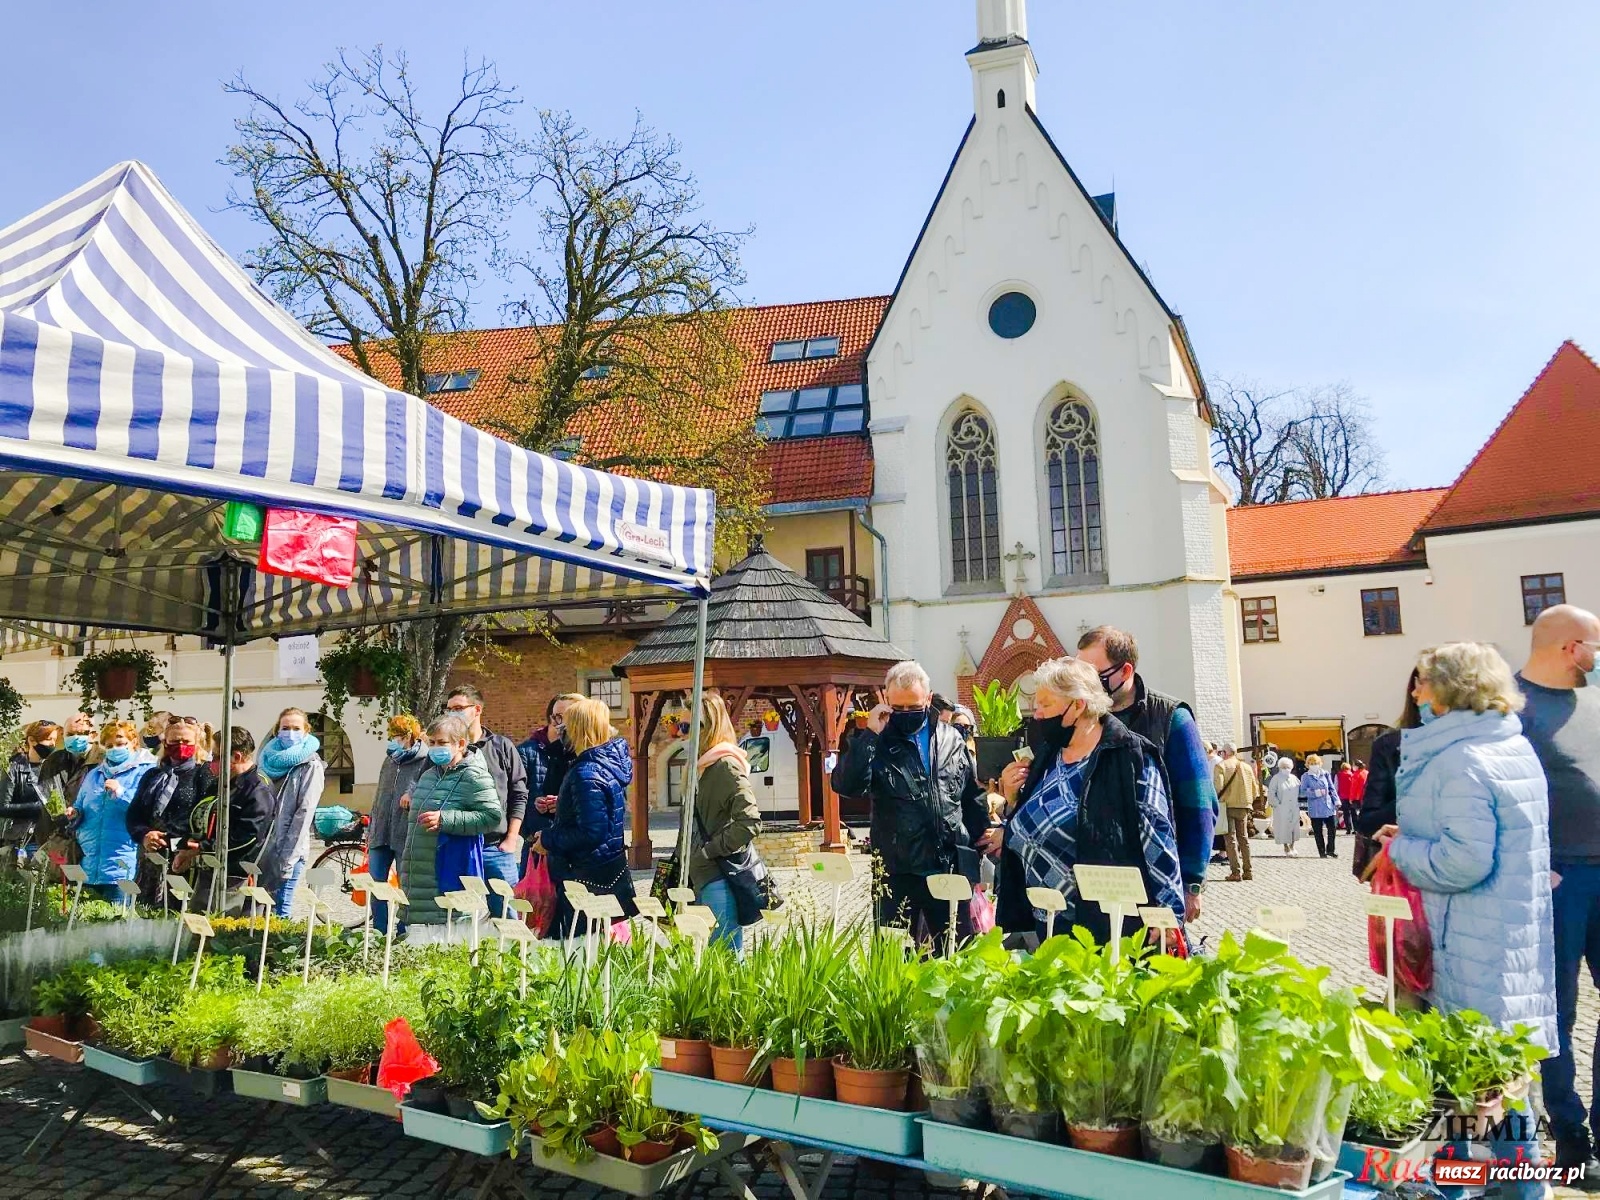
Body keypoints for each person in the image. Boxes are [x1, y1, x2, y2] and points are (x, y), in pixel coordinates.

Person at [1376, 642, 1556, 1197]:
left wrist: (1401, 848)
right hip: (1507, 938)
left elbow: (1464, 860)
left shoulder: (1460, 758)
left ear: (1448, 688)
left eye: (1424, 681)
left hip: (1468, 940)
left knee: (1472, 1079)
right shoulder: (1510, 746)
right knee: (1493, 1076)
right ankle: (1491, 1187)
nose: (1415, 691)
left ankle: (1486, 1189)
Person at [994, 656, 1185, 943]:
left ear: (1078, 705)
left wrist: (1170, 910)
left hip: (1106, 925)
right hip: (1044, 923)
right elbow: (1026, 823)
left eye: (1046, 704)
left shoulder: (1129, 756)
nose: (1037, 714)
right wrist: (1012, 802)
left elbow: (1157, 835)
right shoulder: (1049, 755)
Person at [1515, 604, 1600, 1179]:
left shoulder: (1595, 699)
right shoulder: (1511, 709)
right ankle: (1571, 1133)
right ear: (1572, 648)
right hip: (1556, 879)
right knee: (1557, 1012)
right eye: (1595, 646)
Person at [830, 660, 991, 948]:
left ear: (928, 699)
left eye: (913, 707)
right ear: (887, 701)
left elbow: (968, 792)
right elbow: (846, 785)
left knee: (958, 952)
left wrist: (982, 834)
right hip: (898, 869)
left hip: (948, 864)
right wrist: (869, 736)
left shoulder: (951, 738)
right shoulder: (876, 739)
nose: (905, 714)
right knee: (895, 959)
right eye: (898, 707)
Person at [1075, 627, 1217, 921]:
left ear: (1125, 670)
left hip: (1156, 872)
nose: (1085, 685)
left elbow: (1199, 802)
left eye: (1094, 676)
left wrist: (1191, 883)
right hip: (1097, 872)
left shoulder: (1171, 717)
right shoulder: (1085, 718)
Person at [531, 697, 638, 937]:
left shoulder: (586, 772)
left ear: (578, 729)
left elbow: (591, 831)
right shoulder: (605, 764)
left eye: (564, 725)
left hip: (584, 873)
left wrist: (548, 839)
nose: (560, 730)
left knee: (579, 948)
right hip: (603, 868)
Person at [399, 714, 502, 926]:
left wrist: (446, 820)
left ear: (461, 744)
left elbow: (492, 817)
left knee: (446, 934)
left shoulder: (474, 775)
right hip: (418, 874)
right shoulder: (428, 775)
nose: (436, 748)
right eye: (432, 743)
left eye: (442, 743)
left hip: (448, 870)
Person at [444, 685, 529, 916]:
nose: (452, 714)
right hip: (457, 844)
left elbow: (519, 794)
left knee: (507, 915)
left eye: (458, 708)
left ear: (477, 709)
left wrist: (511, 838)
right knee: (459, 917)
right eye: (448, 709)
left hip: (495, 846)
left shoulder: (502, 747)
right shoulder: (445, 749)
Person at [687, 694, 763, 950]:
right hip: (698, 876)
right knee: (706, 958)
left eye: (690, 727)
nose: (685, 735)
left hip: (719, 876)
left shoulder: (726, 766)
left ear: (707, 727)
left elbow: (749, 821)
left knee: (726, 958)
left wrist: (709, 850)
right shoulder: (701, 767)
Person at [127, 716, 218, 902]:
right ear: (166, 743)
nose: (181, 745)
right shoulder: (153, 775)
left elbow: (207, 818)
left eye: (186, 741)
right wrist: (144, 834)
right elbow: (134, 814)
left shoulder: (204, 774)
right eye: (175, 741)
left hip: (183, 857)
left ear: (196, 743)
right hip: (150, 857)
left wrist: (182, 845)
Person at [68, 722, 155, 899]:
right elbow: (80, 805)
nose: (114, 749)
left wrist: (120, 793)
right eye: (109, 745)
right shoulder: (95, 774)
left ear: (133, 743)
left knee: (117, 922)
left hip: (122, 865)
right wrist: (74, 813)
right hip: (90, 864)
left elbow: (147, 811)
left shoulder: (147, 771)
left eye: (120, 743)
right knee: (86, 923)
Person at [257, 708, 325, 918]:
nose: (290, 733)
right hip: (264, 848)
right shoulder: (265, 760)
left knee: (280, 911)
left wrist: (288, 858)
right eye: (285, 728)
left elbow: (303, 814)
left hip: (289, 850)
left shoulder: (310, 764)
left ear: (306, 731)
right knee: (261, 911)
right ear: (277, 730)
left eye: (296, 728)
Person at [369, 714, 427, 936]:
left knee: (406, 886)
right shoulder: (390, 759)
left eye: (398, 735)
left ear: (410, 735)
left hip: (405, 831)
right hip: (381, 830)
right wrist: (372, 826)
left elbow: (426, 788)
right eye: (391, 735)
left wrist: (412, 793)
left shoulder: (425, 759)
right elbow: (379, 794)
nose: (394, 740)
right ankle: (379, 931)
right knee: (377, 884)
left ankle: (404, 931)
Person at [517, 694, 581, 854]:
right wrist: (531, 832)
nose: (560, 722)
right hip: (537, 845)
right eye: (557, 716)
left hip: (572, 845)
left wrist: (564, 804)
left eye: (566, 716)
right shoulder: (527, 752)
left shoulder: (584, 754)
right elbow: (514, 799)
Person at [0, 720, 63, 850]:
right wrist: (39, 808)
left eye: (55, 740)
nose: (53, 744)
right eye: (49, 739)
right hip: (23, 840)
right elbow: (3, 807)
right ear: (32, 741)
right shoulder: (14, 769)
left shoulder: (57, 768)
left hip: (52, 839)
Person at [1214, 742, 1258, 880]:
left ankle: (1235, 872)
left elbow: (1218, 787)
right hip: (1244, 806)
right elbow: (1255, 790)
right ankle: (1248, 871)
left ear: (1225, 753)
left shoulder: (1221, 766)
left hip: (1227, 805)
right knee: (1243, 838)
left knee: (1230, 840)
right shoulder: (1246, 767)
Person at [39, 713, 97, 810]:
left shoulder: (102, 761)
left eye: (82, 733)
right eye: (70, 734)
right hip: (56, 822)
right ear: (63, 735)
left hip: (88, 822)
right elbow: (44, 792)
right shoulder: (53, 759)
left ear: (92, 735)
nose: (75, 738)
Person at [1300, 754, 1338, 858]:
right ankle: (1322, 852)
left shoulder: (1325, 774)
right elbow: (1302, 792)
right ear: (1308, 765)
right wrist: (1314, 793)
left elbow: (1331, 788)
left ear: (1320, 764)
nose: (1314, 765)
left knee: (1332, 829)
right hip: (1315, 808)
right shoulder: (1306, 776)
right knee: (1318, 831)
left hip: (1328, 806)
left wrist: (1336, 801)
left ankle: (1330, 850)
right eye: (1311, 764)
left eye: (1316, 763)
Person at [1268, 758, 1302, 854]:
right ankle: (1286, 847)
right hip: (1282, 808)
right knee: (1283, 827)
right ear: (1280, 767)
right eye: (1284, 767)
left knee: (1294, 827)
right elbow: (1271, 793)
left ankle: (1292, 846)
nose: (1286, 769)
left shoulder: (1294, 778)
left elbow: (1300, 790)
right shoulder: (1276, 778)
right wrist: (1277, 804)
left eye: (1288, 767)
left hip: (1294, 807)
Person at [1335, 759, 1360, 833]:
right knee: (1354, 813)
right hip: (1352, 797)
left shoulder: (1338, 775)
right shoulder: (1353, 775)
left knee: (1346, 813)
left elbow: (1336, 786)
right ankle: (1356, 829)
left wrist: (1336, 796)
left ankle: (1348, 829)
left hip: (1343, 797)